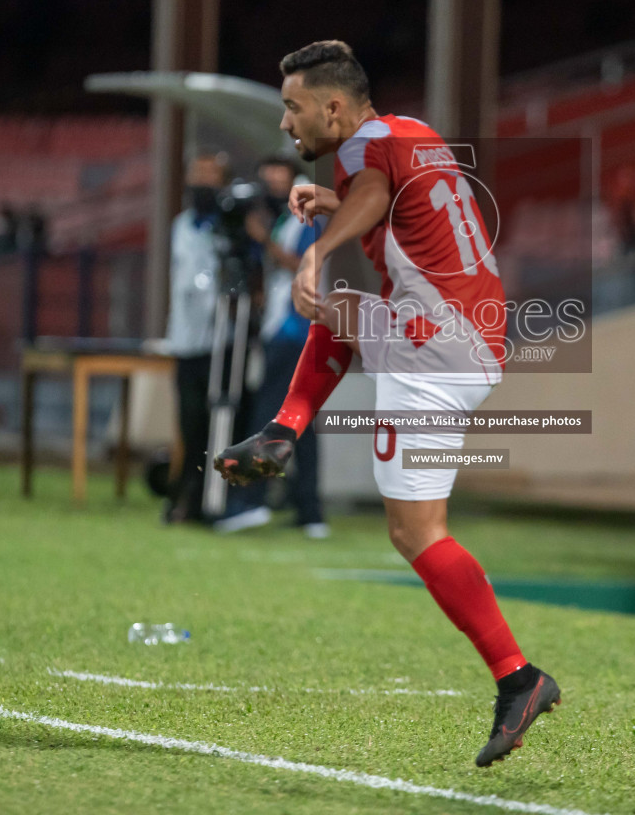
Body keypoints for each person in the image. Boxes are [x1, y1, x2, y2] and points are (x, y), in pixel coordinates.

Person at [216, 41, 560, 767]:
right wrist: (336, 204)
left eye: (294, 107)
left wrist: (317, 247)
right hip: (469, 329)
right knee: (348, 311)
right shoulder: (412, 134)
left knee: (416, 533)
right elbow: (398, 201)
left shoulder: (362, 152)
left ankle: (519, 677)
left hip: (442, 341)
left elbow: (373, 194)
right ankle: (282, 431)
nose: (286, 124)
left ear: (334, 108)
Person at [161, 151, 268, 529]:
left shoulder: (232, 229)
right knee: (189, 422)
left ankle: (221, 495)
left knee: (221, 420)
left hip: (223, 342)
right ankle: (187, 493)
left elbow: (254, 272)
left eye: (210, 177)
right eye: (196, 175)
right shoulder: (182, 225)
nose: (200, 185)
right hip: (185, 339)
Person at [251, 155, 328, 538]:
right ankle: (309, 509)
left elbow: (303, 265)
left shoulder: (307, 216)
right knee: (303, 423)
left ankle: (254, 501)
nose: (273, 188)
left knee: (270, 413)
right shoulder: (286, 218)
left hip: (295, 329)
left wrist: (261, 238)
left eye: (280, 181)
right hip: (288, 326)